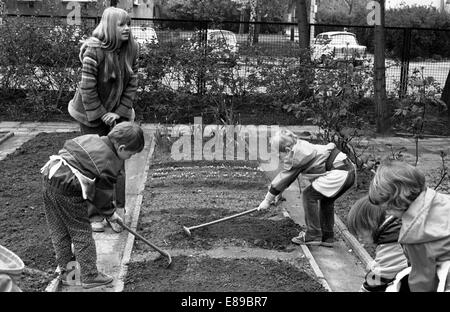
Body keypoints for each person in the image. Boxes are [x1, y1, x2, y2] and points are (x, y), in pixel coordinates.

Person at [41, 122, 145, 289]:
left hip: (49, 177)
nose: (130, 158)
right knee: (81, 232)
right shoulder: (108, 162)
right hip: (68, 189)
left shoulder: (91, 138)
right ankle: (90, 276)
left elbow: (70, 148)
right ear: (122, 148)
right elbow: (102, 195)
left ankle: (70, 276)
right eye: (131, 154)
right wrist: (110, 214)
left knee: (60, 231)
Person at [68, 7, 139, 232]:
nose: (127, 28)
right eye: (121, 24)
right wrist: (101, 115)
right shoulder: (93, 51)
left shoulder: (132, 49)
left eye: (128, 23)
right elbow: (87, 89)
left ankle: (117, 212)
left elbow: (132, 84)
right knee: (93, 164)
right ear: (109, 26)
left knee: (117, 164)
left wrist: (119, 112)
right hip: (90, 114)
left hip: (117, 111)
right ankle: (94, 214)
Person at [258, 129, 356, 247]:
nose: (279, 158)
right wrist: (279, 193)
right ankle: (327, 237)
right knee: (326, 201)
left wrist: (267, 200)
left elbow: (284, 177)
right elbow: (289, 177)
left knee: (309, 195)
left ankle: (313, 234)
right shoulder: (300, 148)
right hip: (347, 170)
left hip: (339, 173)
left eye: (279, 155)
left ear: (288, 150)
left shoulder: (297, 156)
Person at [369, 160, 450, 292]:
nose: (387, 213)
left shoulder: (415, 234)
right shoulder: (441, 200)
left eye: (388, 208)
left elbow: (423, 279)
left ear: (396, 201)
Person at [347, 196, 409, 292]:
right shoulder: (395, 230)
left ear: (370, 222)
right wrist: (374, 266)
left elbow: (379, 278)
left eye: (360, 232)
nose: (359, 238)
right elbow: (388, 263)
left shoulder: (392, 240)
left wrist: (364, 289)